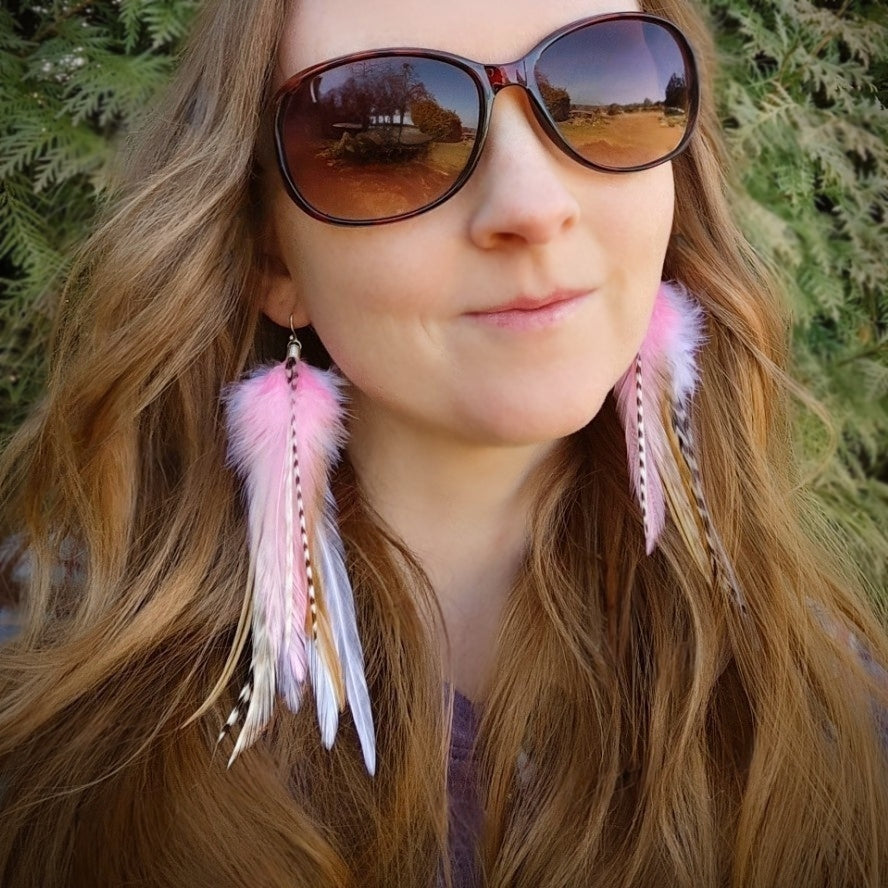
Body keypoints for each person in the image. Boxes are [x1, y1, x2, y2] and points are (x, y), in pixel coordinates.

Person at [0, 0, 886, 885]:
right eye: (388, 141)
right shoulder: (52, 714)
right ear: (270, 256)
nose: (534, 208)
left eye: (601, 89)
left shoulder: (829, 711)